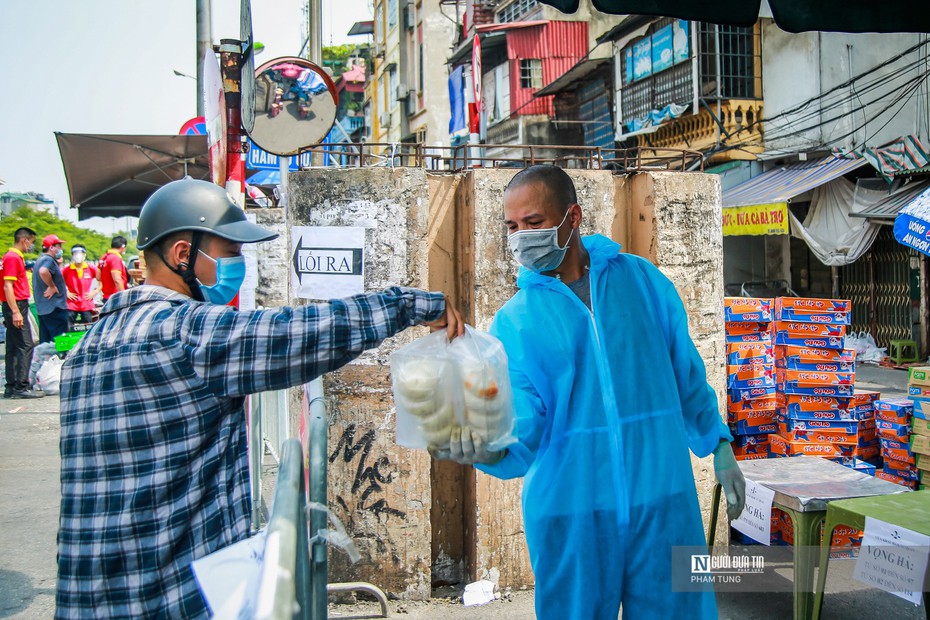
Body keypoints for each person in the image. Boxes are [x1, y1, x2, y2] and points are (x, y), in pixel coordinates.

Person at [56, 178, 464, 618]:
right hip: (167, 596)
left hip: (86, 595)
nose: (238, 264)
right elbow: (302, 334)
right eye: (230, 252)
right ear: (182, 255)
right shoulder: (187, 333)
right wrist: (411, 305)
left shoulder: (85, 349)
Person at [443, 165, 745, 619]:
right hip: (572, 513)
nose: (522, 237)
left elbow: (685, 374)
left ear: (573, 217)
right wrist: (489, 450)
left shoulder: (643, 284)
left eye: (534, 222)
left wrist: (719, 445)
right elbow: (522, 421)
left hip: (662, 501)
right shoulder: (515, 321)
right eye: (512, 227)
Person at [2, 227, 42, 398]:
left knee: (12, 346)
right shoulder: (13, 258)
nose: (31, 246)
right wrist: (16, 311)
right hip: (16, 304)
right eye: (31, 242)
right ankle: (21, 386)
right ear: (25, 240)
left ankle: (11, 386)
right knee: (26, 345)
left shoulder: (11, 257)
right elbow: (7, 286)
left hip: (13, 304)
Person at [34, 234, 71, 343]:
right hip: (55, 308)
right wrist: (52, 286)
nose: (61, 249)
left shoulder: (40, 259)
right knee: (59, 341)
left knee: (46, 343)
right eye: (59, 246)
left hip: (44, 309)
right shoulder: (48, 260)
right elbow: (43, 271)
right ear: (51, 247)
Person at [63, 244, 99, 324]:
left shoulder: (91, 268)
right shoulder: (66, 270)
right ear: (72, 255)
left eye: (80, 253)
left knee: (88, 324)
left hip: (86, 301)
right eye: (75, 253)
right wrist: (66, 292)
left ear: (84, 254)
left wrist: (95, 292)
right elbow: (57, 283)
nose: (78, 255)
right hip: (72, 303)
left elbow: (103, 280)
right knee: (68, 323)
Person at [97, 235, 128, 302]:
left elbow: (98, 277)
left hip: (106, 296)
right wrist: (123, 296)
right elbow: (117, 279)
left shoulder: (104, 257)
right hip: (116, 297)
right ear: (123, 247)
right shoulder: (115, 258)